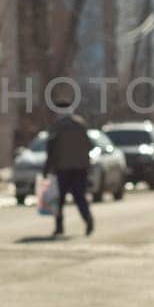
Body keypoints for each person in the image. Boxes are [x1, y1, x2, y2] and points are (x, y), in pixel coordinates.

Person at [42, 92, 94, 237]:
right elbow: (88, 145)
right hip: (80, 168)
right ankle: (88, 219)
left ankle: (59, 227)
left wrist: (47, 168)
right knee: (80, 197)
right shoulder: (80, 124)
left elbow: (51, 150)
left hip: (62, 168)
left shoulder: (57, 126)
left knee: (59, 199)